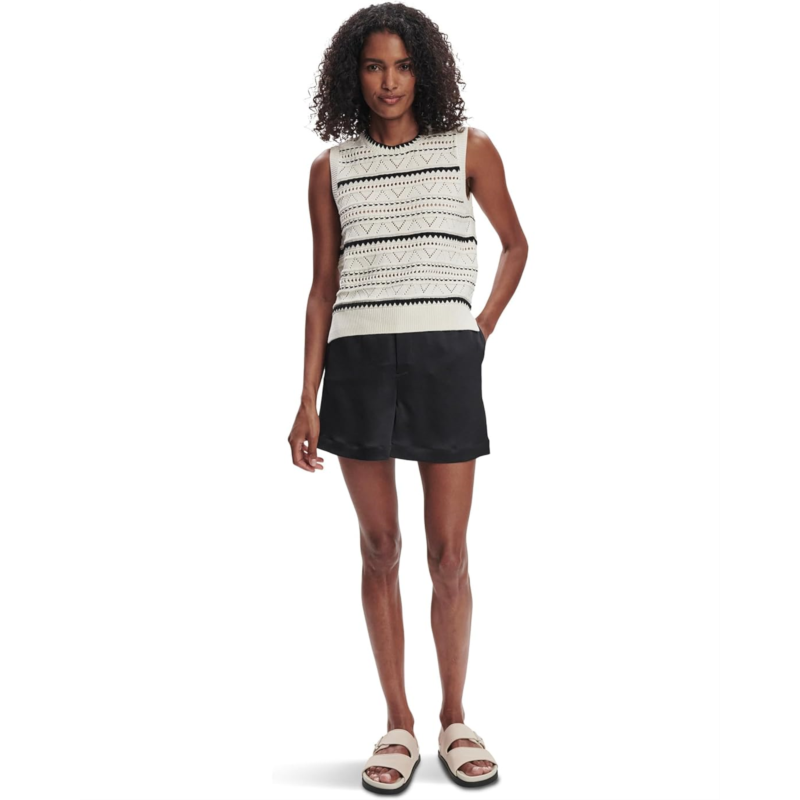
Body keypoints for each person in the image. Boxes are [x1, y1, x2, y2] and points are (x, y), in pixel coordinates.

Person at [288, 2, 527, 792]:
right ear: (352, 75)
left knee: (449, 554)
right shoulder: (330, 168)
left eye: (402, 65)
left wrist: (479, 327)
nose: (388, 81)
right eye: (373, 66)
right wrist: (306, 397)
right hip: (357, 361)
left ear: (424, 70)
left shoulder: (469, 148)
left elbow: (517, 245)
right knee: (379, 546)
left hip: (443, 359)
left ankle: (455, 718)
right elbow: (322, 287)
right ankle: (398, 722)